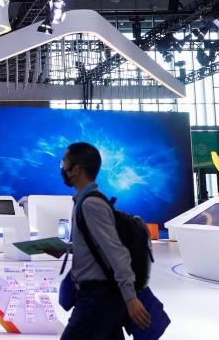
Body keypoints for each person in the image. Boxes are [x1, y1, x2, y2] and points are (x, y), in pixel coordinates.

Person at [60, 142, 151, 340]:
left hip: (97, 300)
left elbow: (117, 252)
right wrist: (67, 249)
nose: (62, 168)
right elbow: (95, 246)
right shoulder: (84, 201)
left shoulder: (91, 205)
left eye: (64, 163)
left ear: (76, 170)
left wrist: (130, 298)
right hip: (101, 299)